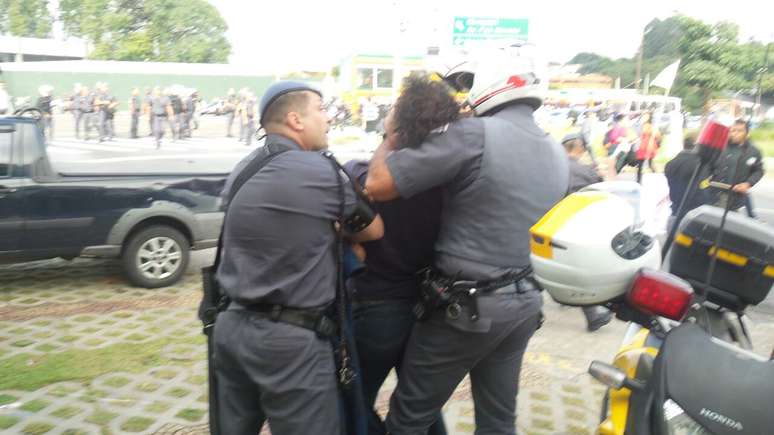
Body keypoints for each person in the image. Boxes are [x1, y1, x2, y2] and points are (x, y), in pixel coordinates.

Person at [366, 45, 568, 434]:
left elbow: (377, 184)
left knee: (408, 417)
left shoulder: (475, 135)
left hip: (466, 310)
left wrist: (392, 135)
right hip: (523, 303)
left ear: (488, 85)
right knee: (497, 421)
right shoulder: (554, 150)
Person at [213, 80, 383, 435]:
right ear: (295, 119)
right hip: (291, 343)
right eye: (321, 109)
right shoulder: (322, 172)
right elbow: (374, 229)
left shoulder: (242, 169)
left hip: (231, 330)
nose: (329, 118)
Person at [345, 75, 454, 435]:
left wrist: (387, 139)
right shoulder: (449, 185)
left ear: (398, 125)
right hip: (427, 310)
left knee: (354, 402)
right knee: (420, 407)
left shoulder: (360, 173)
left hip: (374, 309)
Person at [561, 132, 613, 332]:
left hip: (545, 221)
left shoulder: (549, 165)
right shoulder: (585, 172)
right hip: (573, 226)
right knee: (572, 269)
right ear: (579, 148)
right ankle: (592, 314)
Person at [710, 119, 764, 216]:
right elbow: (708, 165)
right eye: (733, 130)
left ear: (747, 133)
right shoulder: (720, 146)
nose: (735, 133)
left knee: (731, 225)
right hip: (714, 194)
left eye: (739, 131)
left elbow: (759, 171)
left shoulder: (753, 151)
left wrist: (748, 184)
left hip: (736, 198)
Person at [635, 111, 660, 183]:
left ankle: (656, 178)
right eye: (643, 116)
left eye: (646, 116)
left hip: (649, 145)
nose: (644, 117)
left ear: (649, 117)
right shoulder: (641, 125)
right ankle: (638, 180)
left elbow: (657, 135)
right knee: (641, 164)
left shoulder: (650, 126)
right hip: (643, 146)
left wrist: (653, 133)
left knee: (649, 164)